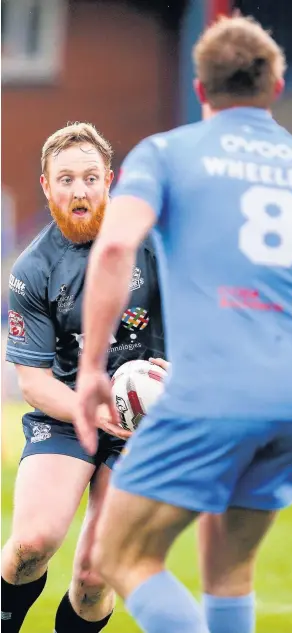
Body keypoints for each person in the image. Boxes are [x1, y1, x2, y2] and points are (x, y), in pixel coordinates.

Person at [75, 15, 292, 633]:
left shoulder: (167, 152)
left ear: (201, 90)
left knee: (115, 555)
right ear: (275, 86)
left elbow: (117, 247)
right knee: (229, 573)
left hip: (214, 391)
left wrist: (94, 365)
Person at [2, 122, 165, 633]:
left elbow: (208, 324)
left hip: (148, 423)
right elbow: (33, 382)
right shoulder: (32, 269)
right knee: (31, 544)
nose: (79, 190)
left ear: (109, 180)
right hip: (68, 413)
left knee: (96, 575)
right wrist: (91, 410)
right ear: (47, 186)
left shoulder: (156, 245)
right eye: (66, 179)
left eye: (90, 178)